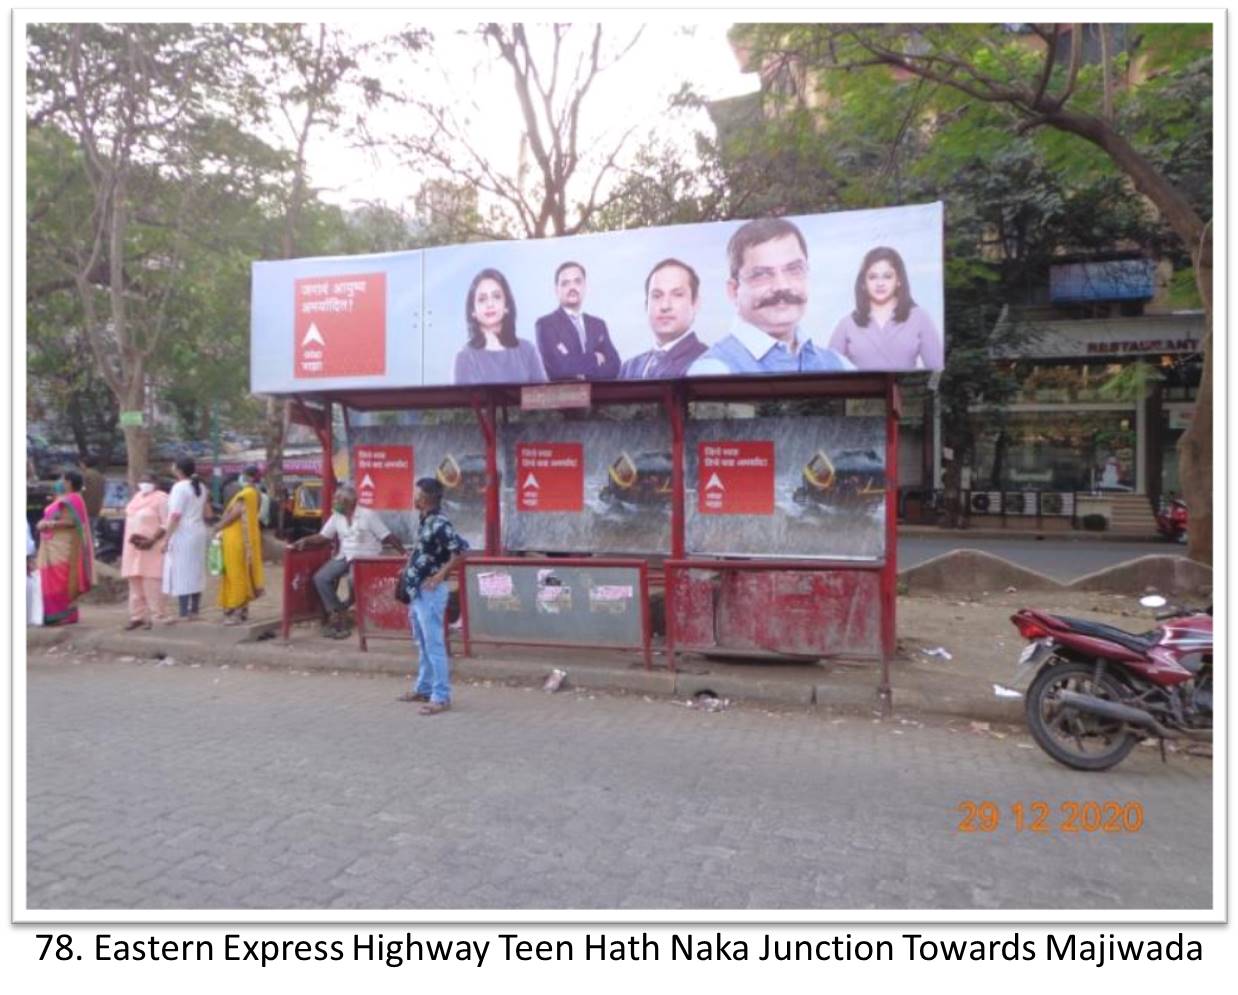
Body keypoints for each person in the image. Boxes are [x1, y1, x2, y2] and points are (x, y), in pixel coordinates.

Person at [689, 217, 856, 376]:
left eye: (794, 269)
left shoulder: (839, 366)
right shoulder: (714, 371)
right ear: (734, 291)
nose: (782, 286)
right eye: (762, 275)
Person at [290, 482, 406, 638]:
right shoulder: (336, 516)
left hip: (365, 558)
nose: (335, 503)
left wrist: (404, 554)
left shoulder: (367, 515)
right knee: (321, 578)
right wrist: (305, 540)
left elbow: (388, 536)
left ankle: (345, 609)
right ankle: (337, 611)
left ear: (349, 502)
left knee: (353, 580)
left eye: (338, 500)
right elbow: (323, 536)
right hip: (345, 556)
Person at [396, 478, 469, 715]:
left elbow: (459, 552)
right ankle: (425, 688)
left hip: (431, 592)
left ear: (426, 496)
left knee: (434, 643)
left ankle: (441, 696)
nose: (413, 497)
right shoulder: (425, 520)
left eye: (417, 493)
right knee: (423, 642)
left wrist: (439, 576)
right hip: (418, 590)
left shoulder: (439, 523)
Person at [827, 246, 943, 371]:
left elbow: (937, 372)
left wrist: (931, 390)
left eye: (887, 276)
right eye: (872, 277)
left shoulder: (920, 318)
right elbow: (827, 372)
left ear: (899, 280)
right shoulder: (847, 324)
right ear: (863, 284)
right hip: (861, 390)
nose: (880, 283)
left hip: (907, 389)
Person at [453, 269, 547, 385]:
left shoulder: (528, 350)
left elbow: (543, 398)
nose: (490, 304)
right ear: (473, 311)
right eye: (482, 299)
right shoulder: (465, 357)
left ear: (506, 306)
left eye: (496, 297)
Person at [619, 258, 709, 380]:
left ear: (695, 303)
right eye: (657, 296)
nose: (665, 306)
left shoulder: (709, 361)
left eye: (677, 294)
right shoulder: (629, 368)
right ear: (646, 305)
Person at [534, 261, 620, 381]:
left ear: (585, 286)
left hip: (598, 396)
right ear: (556, 290)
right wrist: (594, 358)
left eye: (577, 281)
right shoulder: (545, 325)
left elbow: (614, 366)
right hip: (563, 397)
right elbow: (558, 368)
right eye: (565, 283)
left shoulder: (598, 325)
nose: (572, 287)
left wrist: (579, 368)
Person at [35, 469, 94, 625]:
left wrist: (49, 524)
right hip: (50, 543)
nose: (60, 481)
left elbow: (74, 523)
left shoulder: (74, 499)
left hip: (64, 546)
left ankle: (65, 615)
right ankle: (52, 614)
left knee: (62, 578)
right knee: (49, 578)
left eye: (62, 479)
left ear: (68, 482)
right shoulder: (61, 498)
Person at [212, 464, 264, 625]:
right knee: (240, 573)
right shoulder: (256, 494)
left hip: (238, 539)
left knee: (236, 574)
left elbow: (235, 513)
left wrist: (218, 526)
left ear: (246, 476)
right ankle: (241, 611)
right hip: (240, 538)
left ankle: (235, 611)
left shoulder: (246, 493)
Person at [121, 469, 171, 630]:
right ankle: (137, 616)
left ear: (155, 483)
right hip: (133, 546)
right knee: (135, 581)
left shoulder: (162, 499)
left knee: (152, 582)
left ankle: (156, 615)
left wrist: (153, 539)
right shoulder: (136, 499)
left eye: (148, 481)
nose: (144, 484)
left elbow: (166, 523)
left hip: (152, 546)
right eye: (142, 480)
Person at [163, 456, 211, 621]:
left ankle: (183, 611)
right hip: (198, 530)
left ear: (178, 470)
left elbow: (175, 515)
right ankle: (195, 609)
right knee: (196, 571)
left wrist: (166, 537)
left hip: (183, 532)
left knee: (181, 571)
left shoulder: (179, 488)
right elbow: (207, 512)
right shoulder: (202, 487)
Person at [80, 454, 105, 522]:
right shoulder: (100, 475)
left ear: (84, 464)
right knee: (92, 528)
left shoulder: (85, 475)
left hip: (86, 507)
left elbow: (83, 489)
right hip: (97, 507)